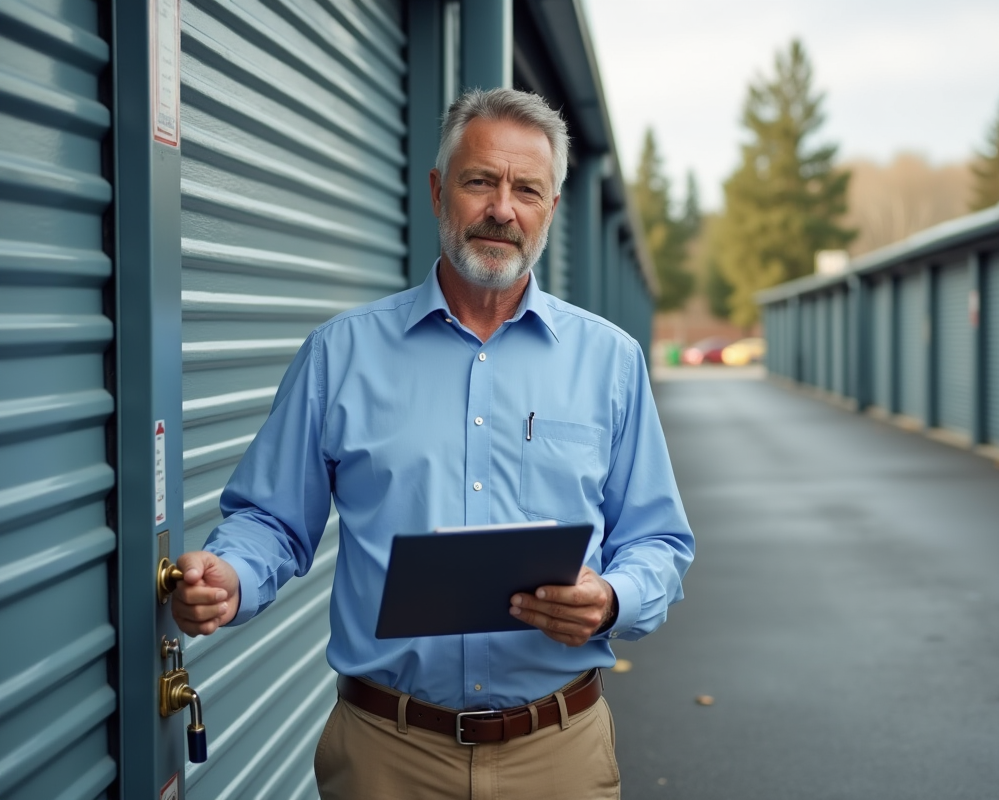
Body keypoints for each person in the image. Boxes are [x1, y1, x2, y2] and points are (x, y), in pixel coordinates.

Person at [169, 87, 694, 799]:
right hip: (388, 755)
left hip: (558, 755)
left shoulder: (611, 361)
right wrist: (230, 575)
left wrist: (612, 597)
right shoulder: (340, 354)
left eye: (526, 190)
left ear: (551, 209)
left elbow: (658, 541)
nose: (502, 209)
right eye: (481, 181)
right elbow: (271, 520)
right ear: (439, 190)